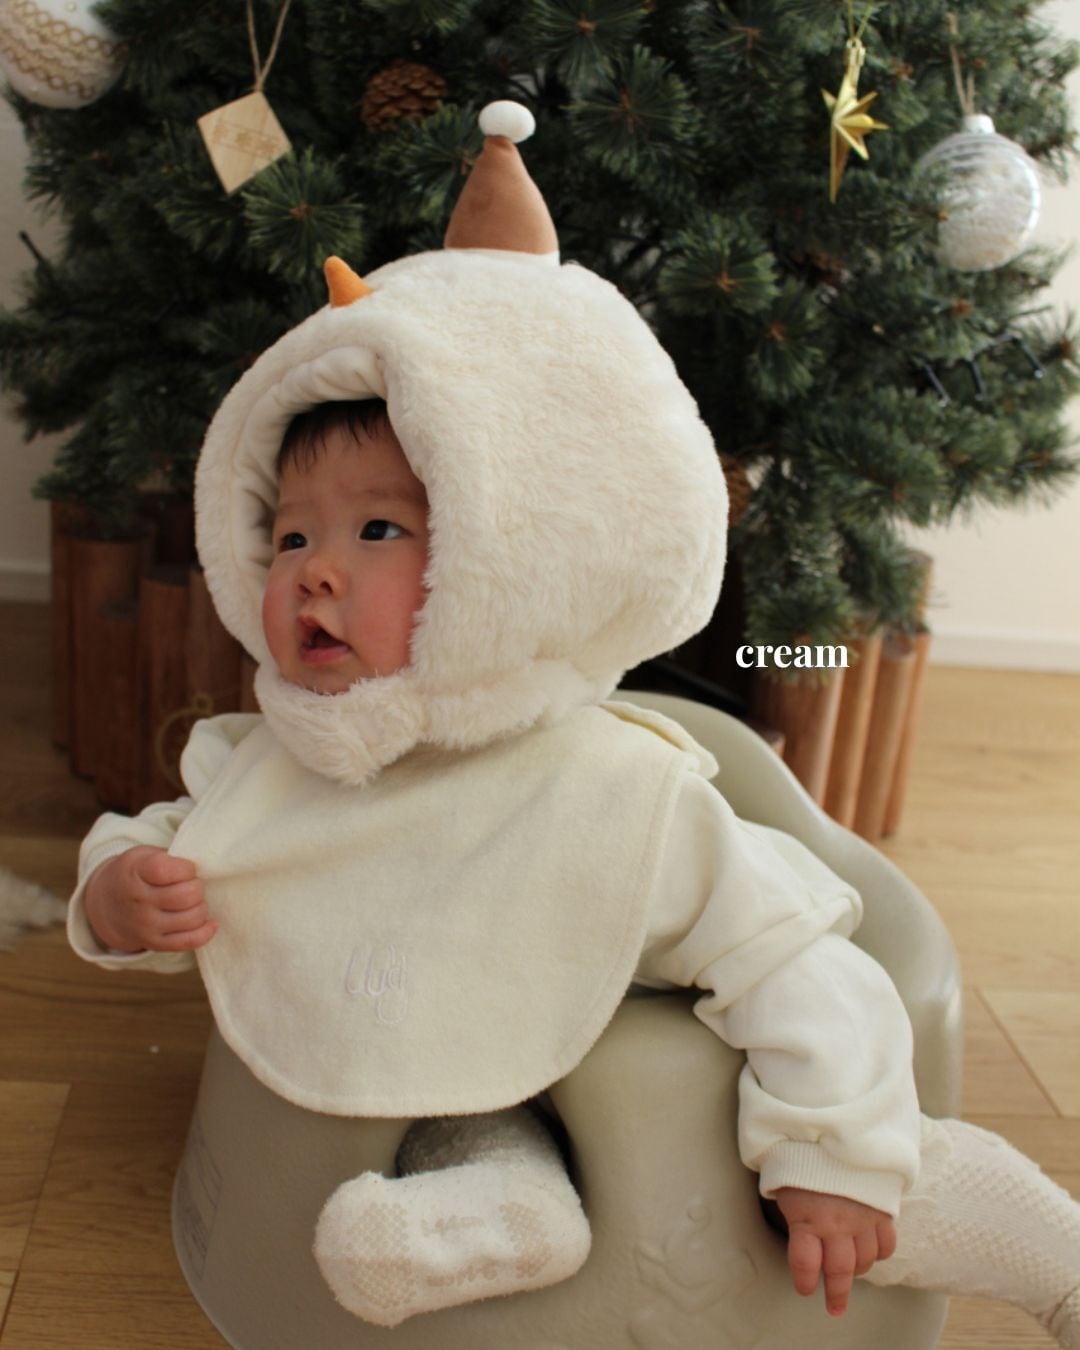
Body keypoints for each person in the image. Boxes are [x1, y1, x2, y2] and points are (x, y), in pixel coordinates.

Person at [68, 102, 1080, 1343]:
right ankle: (506, 1203)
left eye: (378, 528)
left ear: (510, 556)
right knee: (447, 1099)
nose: (314, 570)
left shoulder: (621, 794)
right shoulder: (268, 762)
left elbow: (796, 957)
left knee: (857, 1167)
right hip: (472, 1078)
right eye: (287, 537)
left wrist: (831, 1149)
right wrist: (118, 892)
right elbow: (170, 840)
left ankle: (1043, 1250)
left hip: (680, 1042)